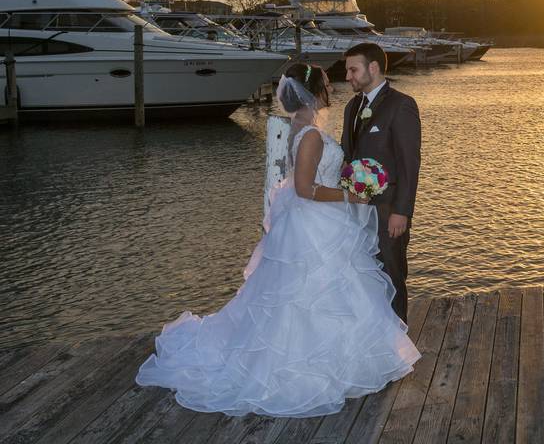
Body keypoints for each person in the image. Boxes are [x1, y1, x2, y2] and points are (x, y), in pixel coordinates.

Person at [135, 63, 420, 417]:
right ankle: (313, 366)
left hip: (311, 223)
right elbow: (304, 189)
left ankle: (320, 358)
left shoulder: (299, 127)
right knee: (316, 294)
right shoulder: (311, 134)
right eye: (328, 82)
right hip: (315, 223)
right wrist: (352, 196)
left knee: (307, 297)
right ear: (314, 90)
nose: (332, 87)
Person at [341, 43, 421, 322]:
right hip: (357, 212)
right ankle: (377, 340)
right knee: (366, 276)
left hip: (389, 211)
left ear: (372, 68)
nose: (348, 75)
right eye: (347, 70)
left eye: (353, 69)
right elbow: (349, 156)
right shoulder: (352, 107)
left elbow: (410, 163)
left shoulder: (402, 105)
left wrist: (402, 211)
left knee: (392, 274)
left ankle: (400, 340)